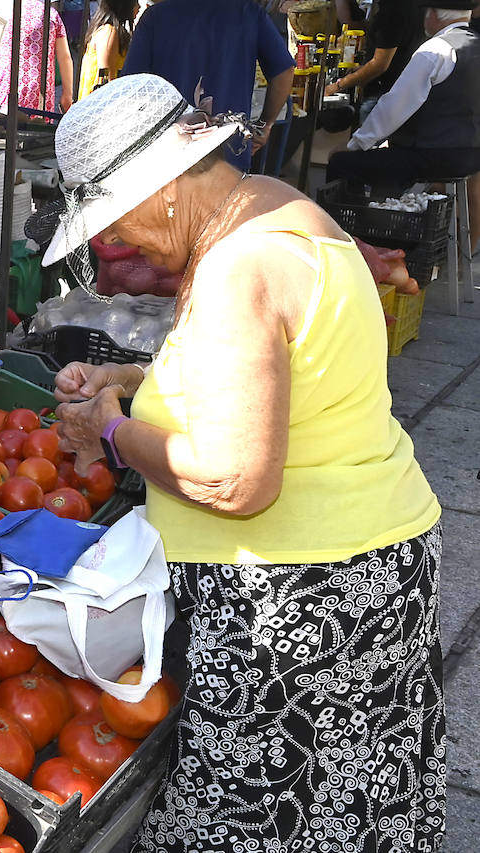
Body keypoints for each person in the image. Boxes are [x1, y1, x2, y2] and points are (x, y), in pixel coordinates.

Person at [43, 72, 443, 853]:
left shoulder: (239, 268)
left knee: (252, 823)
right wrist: (134, 380)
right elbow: (271, 374)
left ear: (161, 187)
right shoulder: (269, 203)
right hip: (365, 573)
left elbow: (236, 477)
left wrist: (114, 431)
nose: (115, 243)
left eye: (115, 220)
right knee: (350, 815)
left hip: (301, 609)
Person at [123, 0, 293, 167]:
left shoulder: (154, 18)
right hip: (231, 153)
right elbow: (284, 71)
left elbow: (132, 86)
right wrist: (265, 124)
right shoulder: (247, 12)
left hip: (170, 158)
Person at [325, 0, 480, 200]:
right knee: (386, 160)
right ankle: (382, 216)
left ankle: (347, 232)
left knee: (342, 163)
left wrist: (356, 144)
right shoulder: (475, 44)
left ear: (433, 15)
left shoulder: (436, 49)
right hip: (472, 156)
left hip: (432, 156)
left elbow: (396, 105)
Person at [324, 0, 423, 126]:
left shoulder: (394, 11)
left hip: (382, 93)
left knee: (364, 148)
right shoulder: (409, 2)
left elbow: (380, 64)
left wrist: (337, 85)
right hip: (396, 90)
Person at [0, 0, 72, 116]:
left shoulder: (6, 11)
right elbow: (65, 57)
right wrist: (67, 94)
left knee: (3, 133)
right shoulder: (50, 15)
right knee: (35, 135)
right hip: (39, 89)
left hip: (7, 85)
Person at [77, 0, 137, 100]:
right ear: (126, 4)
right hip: (99, 105)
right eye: (135, 1)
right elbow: (107, 77)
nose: (138, 6)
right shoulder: (109, 32)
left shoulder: (110, 30)